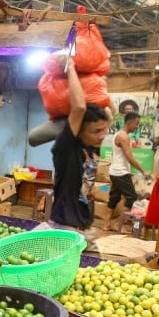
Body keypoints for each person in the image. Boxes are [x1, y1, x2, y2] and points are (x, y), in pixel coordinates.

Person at [50, 57, 110, 238]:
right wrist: (71, 68)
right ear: (80, 131)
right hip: (65, 228)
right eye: (96, 131)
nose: (102, 136)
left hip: (85, 228)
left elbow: (108, 112)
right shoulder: (67, 148)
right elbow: (79, 108)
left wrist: (98, 79)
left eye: (104, 131)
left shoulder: (93, 147)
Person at [103, 113, 152, 231]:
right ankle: (119, 225)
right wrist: (144, 171)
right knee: (131, 197)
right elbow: (130, 157)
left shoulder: (120, 135)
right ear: (130, 123)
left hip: (115, 172)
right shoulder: (123, 137)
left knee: (114, 197)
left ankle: (107, 224)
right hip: (120, 173)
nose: (137, 127)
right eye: (136, 124)